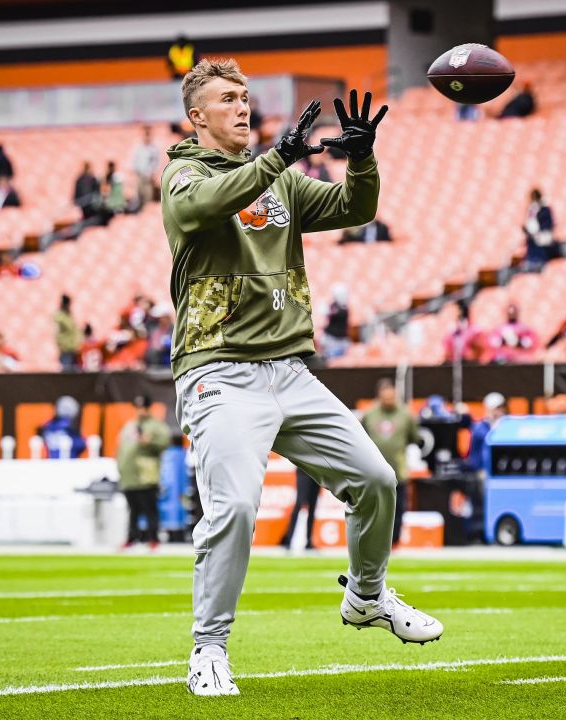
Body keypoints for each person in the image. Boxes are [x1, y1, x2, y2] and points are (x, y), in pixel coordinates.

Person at [162, 60, 441, 696]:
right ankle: (208, 650)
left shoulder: (277, 181)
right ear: (196, 116)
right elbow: (210, 202)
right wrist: (277, 160)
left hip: (288, 369)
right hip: (219, 368)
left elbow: (355, 207)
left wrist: (362, 158)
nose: (242, 107)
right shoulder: (182, 175)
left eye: (245, 97)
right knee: (232, 507)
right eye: (227, 99)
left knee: (376, 480)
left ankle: (366, 598)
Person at [361, 378, 422, 548]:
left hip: (398, 470)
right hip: (374, 473)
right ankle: (374, 541)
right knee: (375, 509)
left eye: (391, 397)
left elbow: (415, 438)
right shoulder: (369, 414)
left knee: (398, 508)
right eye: (385, 398)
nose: (388, 400)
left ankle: (394, 542)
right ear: (379, 397)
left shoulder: (406, 414)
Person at [118, 395, 172, 550]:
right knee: (133, 510)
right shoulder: (130, 425)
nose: (140, 410)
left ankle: (153, 539)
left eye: (143, 407)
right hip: (129, 475)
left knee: (150, 508)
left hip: (146, 474)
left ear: (149, 408)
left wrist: (150, 442)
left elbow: (164, 443)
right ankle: (131, 538)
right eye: (138, 407)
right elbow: (122, 448)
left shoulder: (156, 426)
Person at [278, 468, 321, 551]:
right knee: (299, 504)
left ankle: (308, 542)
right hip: (304, 470)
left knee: (312, 506)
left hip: (317, 473)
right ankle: (289, 540)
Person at [523, 187, 556, 268]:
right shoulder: (532, 209)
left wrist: (538, 231)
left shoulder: (545, 209)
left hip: (543, 236)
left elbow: (548, 224)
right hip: (534, 237)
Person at [132, 126, 163, 207]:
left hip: (148, 178)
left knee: (147, 199)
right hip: (139, 176)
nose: (146, 136)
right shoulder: (138, 147)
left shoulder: (154, 149)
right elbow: (135, 162)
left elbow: (156, 163)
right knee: (139, 197)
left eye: (147, 134)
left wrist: (151, 173)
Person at [322, 284, 351, 360]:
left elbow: (339, 313)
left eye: (344, 295)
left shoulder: (344, 309)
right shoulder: (332, 306)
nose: (344, 297)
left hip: (341, 340)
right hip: (331, 338)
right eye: (341, 295)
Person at [54, 294, 82, 371]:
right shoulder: (59, 317)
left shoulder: (69, 315)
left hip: (74, 348)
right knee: (66, 373)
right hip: (66, 349)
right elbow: (57, 333)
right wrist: (62, 345)